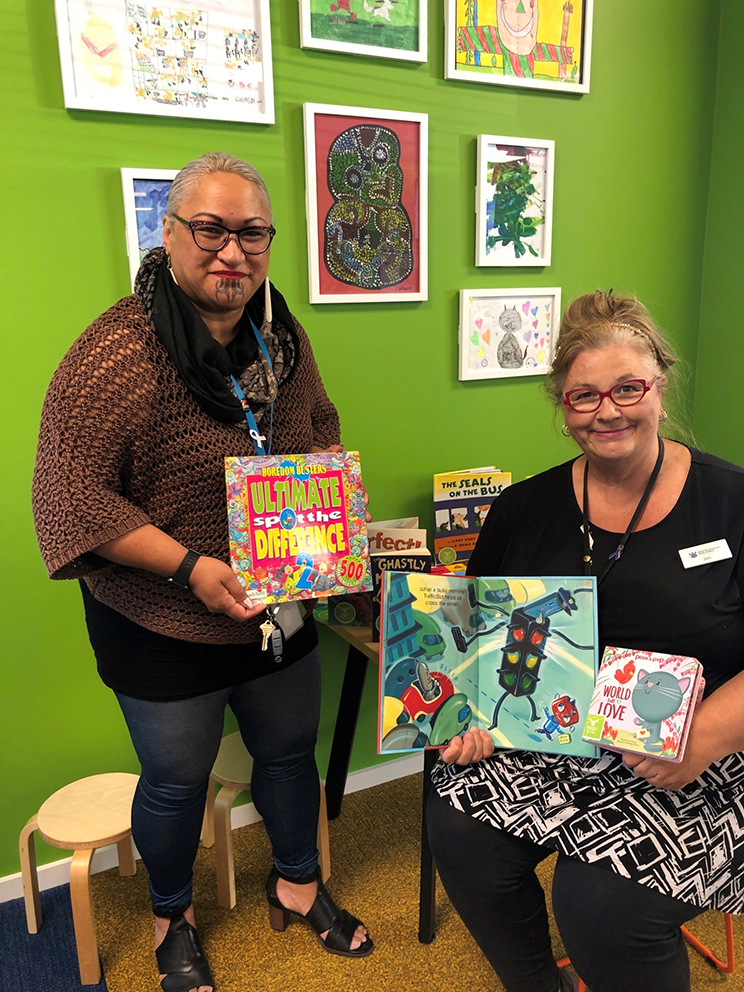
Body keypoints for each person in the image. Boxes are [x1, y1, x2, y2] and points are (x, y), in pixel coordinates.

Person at [32, 152, 372, 992]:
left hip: (275, 603)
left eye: (251, 232)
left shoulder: (281, 341)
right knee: (179, 780)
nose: (233, 251)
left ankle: (298, 884)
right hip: (159, 613)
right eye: (210, 229)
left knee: (288, 754)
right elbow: (71, 496)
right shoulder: (116, 351)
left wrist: (328, 527)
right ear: (170, 233)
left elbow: (318, 432)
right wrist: (189, 567)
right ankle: (172, 917)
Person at [427, 291, 744, 992]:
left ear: (661, 383)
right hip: (555, 732)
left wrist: (704, 741)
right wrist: (471, 717)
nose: (607, 411)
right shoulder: (523, 509)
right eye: (583, 397)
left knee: (599, 902)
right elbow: (477, 635)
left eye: (628, 387)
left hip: (705, 747)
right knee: (458, 826)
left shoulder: (732, 500)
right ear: (562, 406)